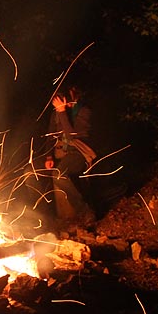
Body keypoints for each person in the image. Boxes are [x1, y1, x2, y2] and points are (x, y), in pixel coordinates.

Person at [46, 84, 96, 225]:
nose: (63, 100)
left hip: (78, 152)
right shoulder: (56, 113)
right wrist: (48, 156)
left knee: (59, 175)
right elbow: (50, 135)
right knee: (30, 173)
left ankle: (85, 212)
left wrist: (62, 112)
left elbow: (73, 137)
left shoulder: (83, 111)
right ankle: (42, 217)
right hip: (60, 151)